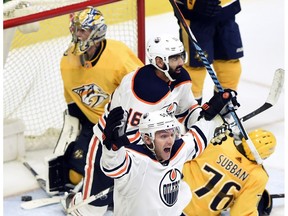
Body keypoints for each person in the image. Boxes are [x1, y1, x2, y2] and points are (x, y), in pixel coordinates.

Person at [62, 34, 239, 215]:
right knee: (93, 210)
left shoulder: (180, 78)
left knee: (153, 203)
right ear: (159, 62)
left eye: (181, 56)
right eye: (174, 58)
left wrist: (206, 116)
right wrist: (131, 173)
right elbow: (129, 140)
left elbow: (187, 110)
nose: (180, 62)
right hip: (110, 145)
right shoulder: (142, 91)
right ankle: (77, 205)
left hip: (151, 149)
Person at [46, 6, 143, 200]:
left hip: (125, 127)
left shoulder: (119, 57)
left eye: (83, 30)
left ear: (97, 32)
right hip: (95, 127)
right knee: (74, 176)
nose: (77, 34)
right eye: (75, 29)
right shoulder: (67, 60)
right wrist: (76, 132)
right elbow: (72, 100)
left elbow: (143, 88)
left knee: (120, 173)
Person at [100, 102, 234, 215]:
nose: (170, 141)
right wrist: (112, 149)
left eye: (172, 135)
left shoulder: (177, 150)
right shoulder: (135, 159)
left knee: (184, 190)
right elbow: (113, 167)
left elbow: (198, 136)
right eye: (163, 136)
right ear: (147, 139)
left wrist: (216, 116)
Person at [181, 127, 277, 216]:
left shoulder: (221, 141)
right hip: (200, 214)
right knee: (262, 202)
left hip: (170, 199)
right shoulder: (258, 176)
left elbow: (182, 152)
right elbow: (241, 213)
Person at [175, 0, 243, 105]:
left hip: (226, 12)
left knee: (230, 66)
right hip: (195, 18)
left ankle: (222, 109)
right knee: (195, 69)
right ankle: (190, 113)